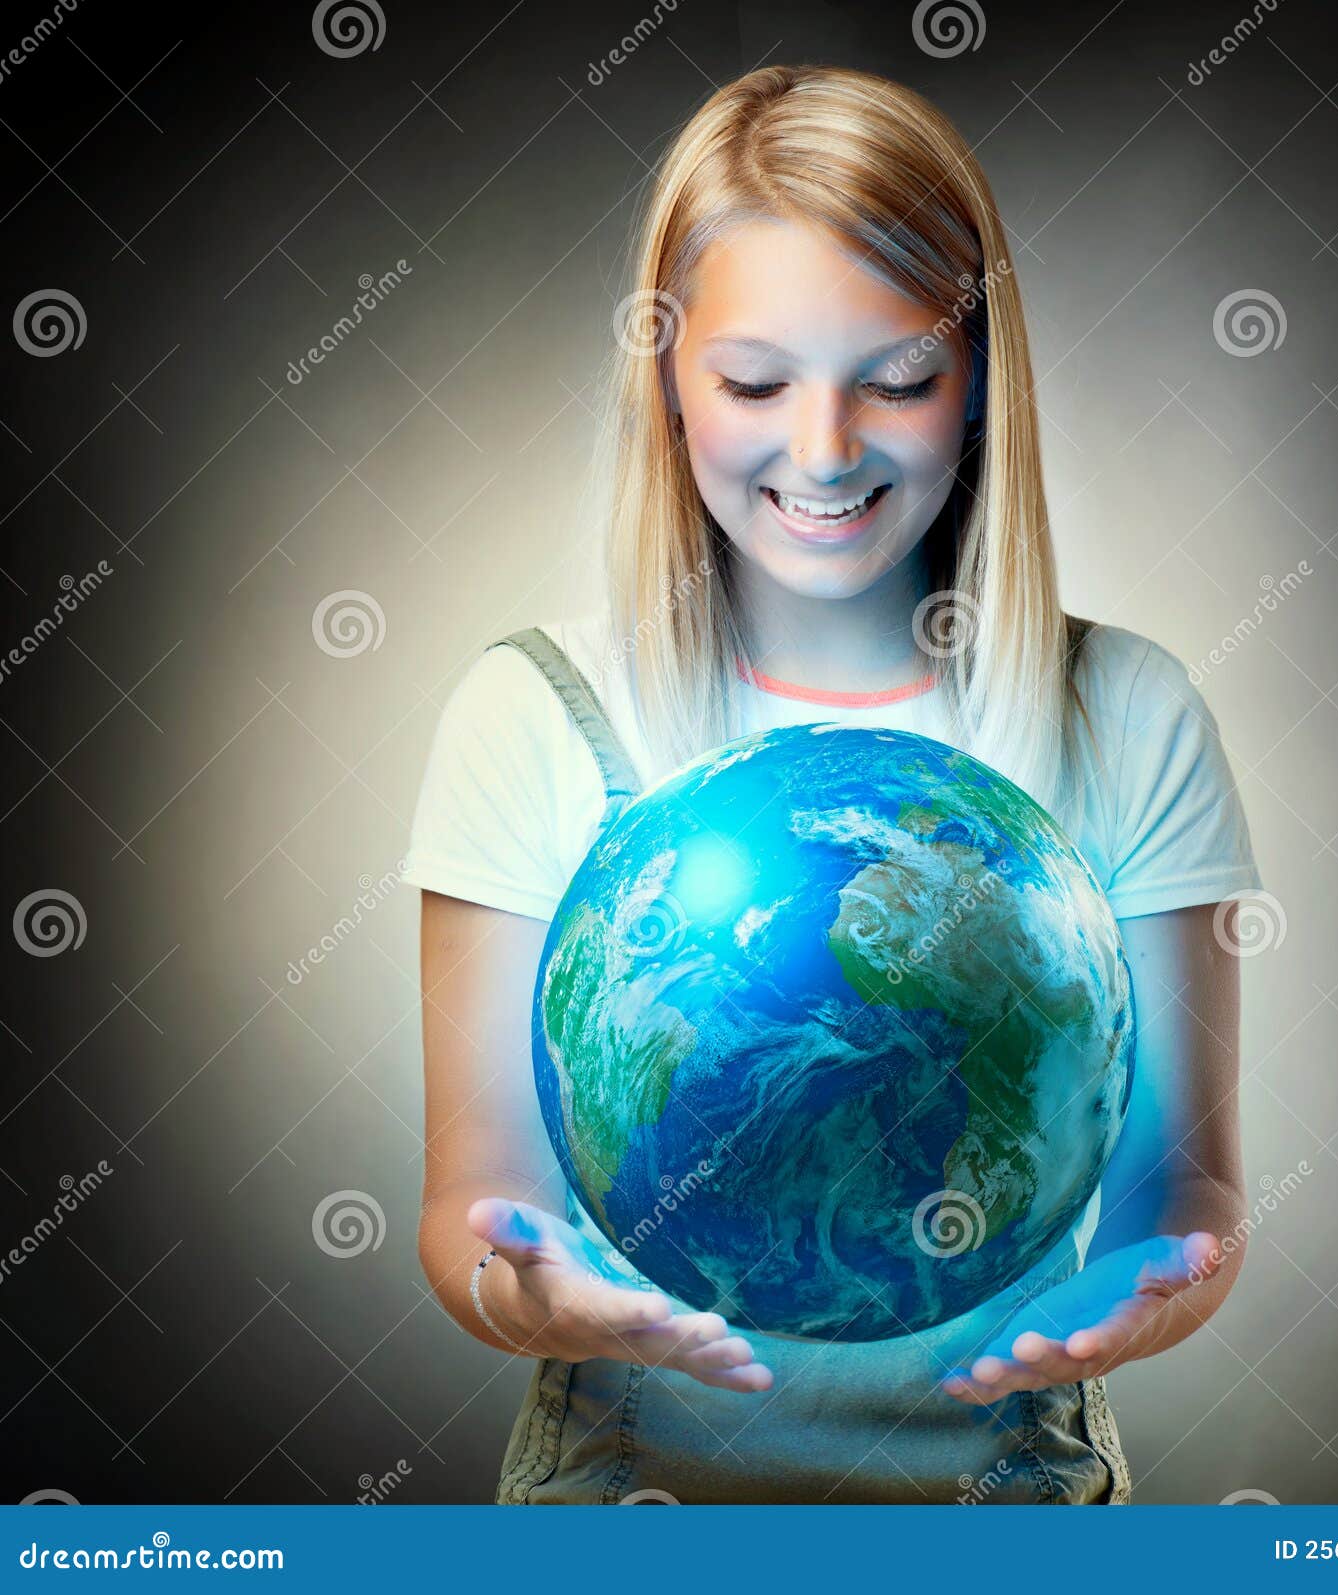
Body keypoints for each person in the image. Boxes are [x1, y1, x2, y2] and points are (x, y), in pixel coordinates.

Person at [404, 63, 1265, 1505]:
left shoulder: (1127, 713)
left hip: (1013, 1498)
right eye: (754, 381)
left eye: (900, 377)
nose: (822, 449)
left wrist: (1158, 1290)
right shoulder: (533, 715)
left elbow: (1188, 1193)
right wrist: (522, 1296)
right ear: (667, 376)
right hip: (619, 1499)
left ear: (981, 377)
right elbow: (469, 1210)